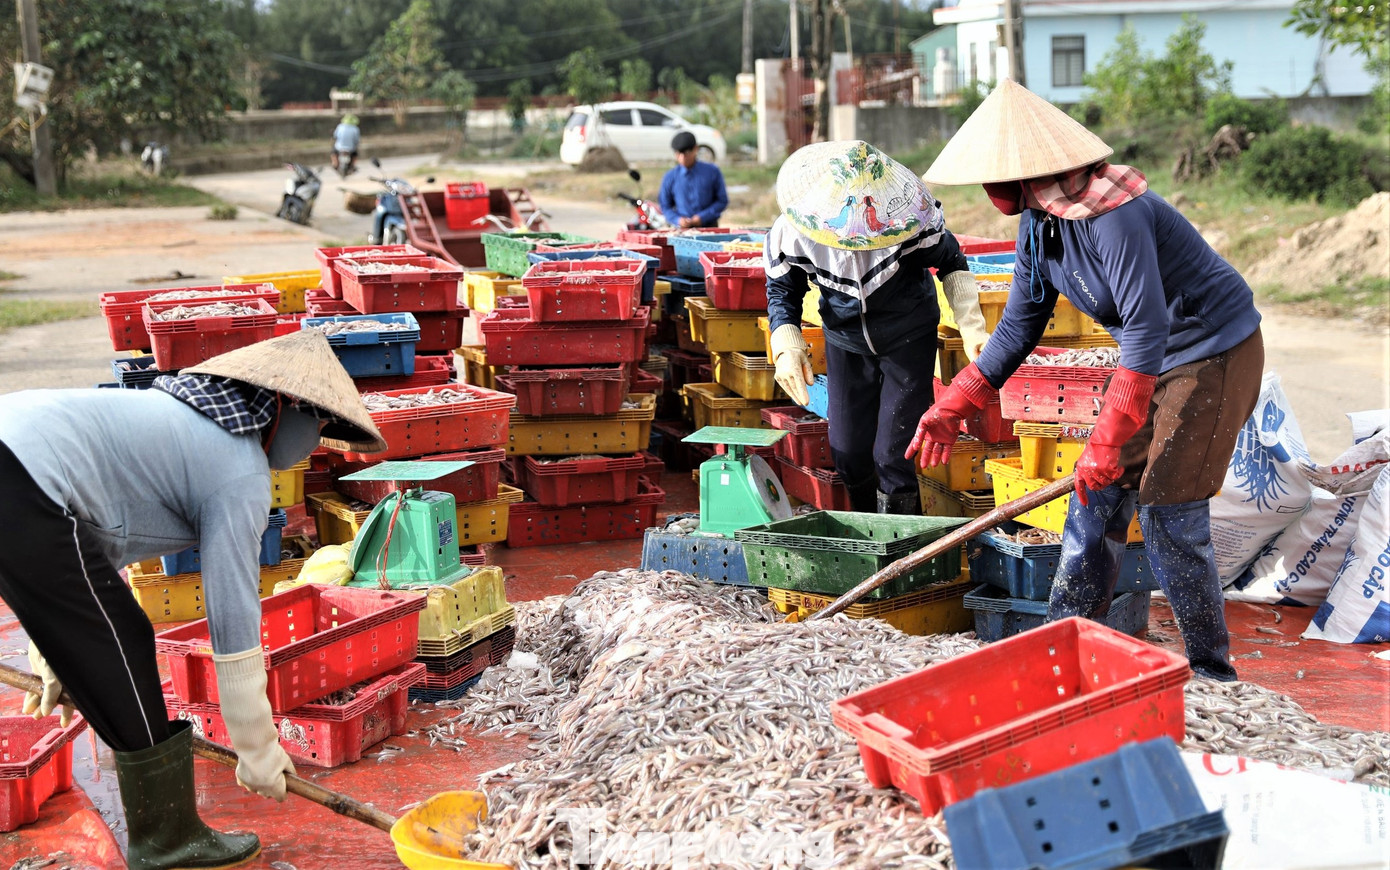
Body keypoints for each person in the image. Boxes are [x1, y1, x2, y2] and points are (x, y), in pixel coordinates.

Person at [910, 80, 1264, 681]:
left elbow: (1148, 328)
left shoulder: (1114, 214)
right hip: (1148, 364)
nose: (991, 191)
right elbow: (1019, 324)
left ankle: (1212, 674)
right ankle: (1065, 650)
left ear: (1028, 174)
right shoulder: (1040, 224)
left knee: (1168, 510)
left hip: (1212, 353)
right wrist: (957, 400)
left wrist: (1107, 437)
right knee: (1093, 499)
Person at [0, 331, 387, 868]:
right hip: (18, 476)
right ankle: (168, 839)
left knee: (112, 637)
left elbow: (89, 548)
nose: (316, 441)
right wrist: (257, 745)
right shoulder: (238, 469)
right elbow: (232, 616)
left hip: (18, 465)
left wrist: (55, 655)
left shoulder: (176, 420)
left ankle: (167, 834)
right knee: (129, 643)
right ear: (284, 408)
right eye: (318, 426)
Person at [765, 140, 989, 514]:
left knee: (892, 453)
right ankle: (868, 528)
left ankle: (902, 549)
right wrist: (786, 345)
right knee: (847, 450)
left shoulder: (907, 224)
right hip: (844, 339)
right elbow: (782, 290)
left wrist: (971, 324)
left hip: (907, 335)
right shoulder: (795, 230)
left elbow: (951, 261)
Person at [658, 130, 728, 229]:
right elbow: (665, 206)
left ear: (695, 149)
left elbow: (722, 201)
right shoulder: (670, 177)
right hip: (682, 230)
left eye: (686, 153)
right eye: (678, 154)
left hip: (709, 228)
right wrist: (677, 219)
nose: (682, 157)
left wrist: (703, 217)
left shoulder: (712, 172)